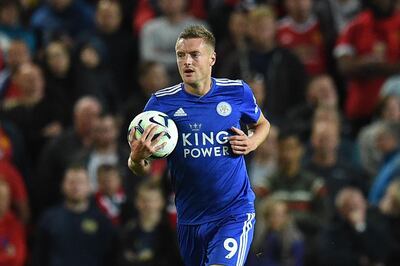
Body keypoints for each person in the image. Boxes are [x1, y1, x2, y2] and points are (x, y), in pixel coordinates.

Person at [128, 25, 270, 266]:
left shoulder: (236, 92)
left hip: (233, 212)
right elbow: (139, 168)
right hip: (190, 218)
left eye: (195, 55)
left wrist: (251, 143)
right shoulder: (161, 104)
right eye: (181, 55)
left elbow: (263, 124)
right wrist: (136, 158)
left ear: (212, 58)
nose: (187, 62)